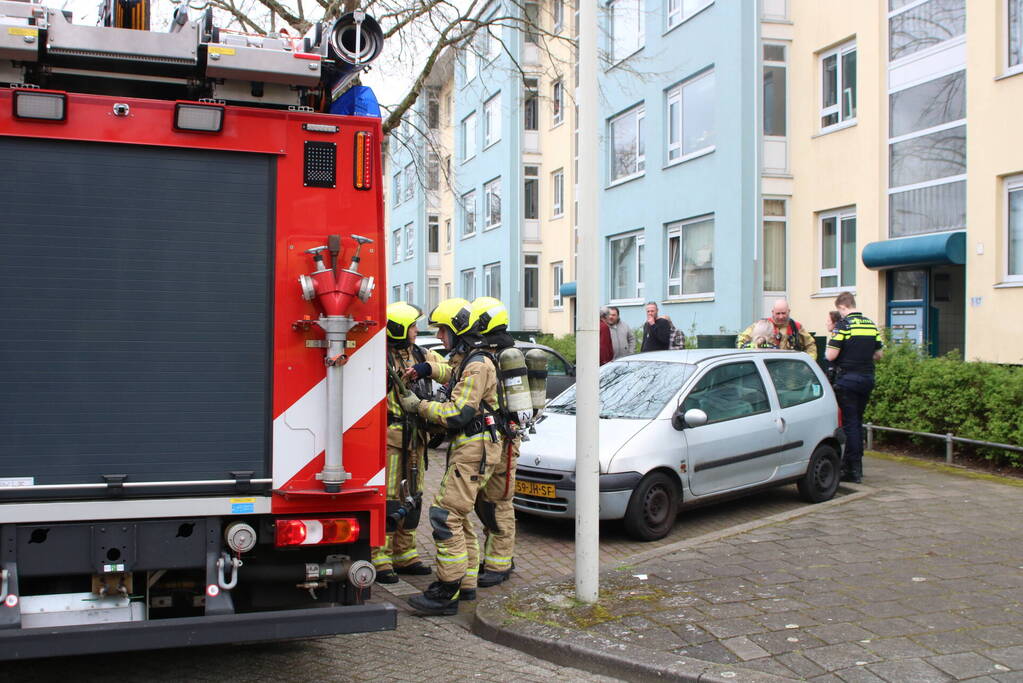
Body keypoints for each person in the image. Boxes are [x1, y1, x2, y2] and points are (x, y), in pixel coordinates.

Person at [399, 298, 503, 616]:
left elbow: (458, 412)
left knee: (444, 516)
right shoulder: (469, 359)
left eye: (443, 331)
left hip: (474, 447)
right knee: (459, 515)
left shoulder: (478, 364)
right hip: (472, 446)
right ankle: (466, 583)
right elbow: (452, 374)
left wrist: (418, 406)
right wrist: (427, 368)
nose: (441, 338)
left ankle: (447, 591)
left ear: (457, 330)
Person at [372, 302, 447, 584]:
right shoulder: (381, 358)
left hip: (416, 436)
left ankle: (405, 553)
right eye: (413, 326)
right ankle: (380, 555)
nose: (417, 331)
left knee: (413, 493)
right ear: (400, 328)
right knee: (390, 494)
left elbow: (447, 367)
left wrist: (428, 368)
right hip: (391, 436)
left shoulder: (419, 353)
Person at [469, 297, 522, 589]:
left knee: (499, 502)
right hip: (493, 439)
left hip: (506, 441)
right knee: (485, 501)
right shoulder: (491, 353)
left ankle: (500, 563)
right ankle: (496, 556)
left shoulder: (505, 355)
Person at [825, 292, 883, 484]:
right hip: (867, 378)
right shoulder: (870, 324)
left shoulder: (844, 325)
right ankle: (857, 466)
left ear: (842, 307)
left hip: (847, 380)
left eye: (839, 311)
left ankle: (853, 469)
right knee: (857, 422)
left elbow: (831, 355)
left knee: (850, 424)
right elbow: (879, 355)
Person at [736, 298, 817, 358]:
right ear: (772, 312)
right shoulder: (763, 325)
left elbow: (810, 345)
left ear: (789, 311)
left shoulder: (796, 327)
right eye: (778, 313)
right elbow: (741, 340)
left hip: (791, 370)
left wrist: (809, 362)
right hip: (769, 367)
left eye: (783, 313)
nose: (781, 316)